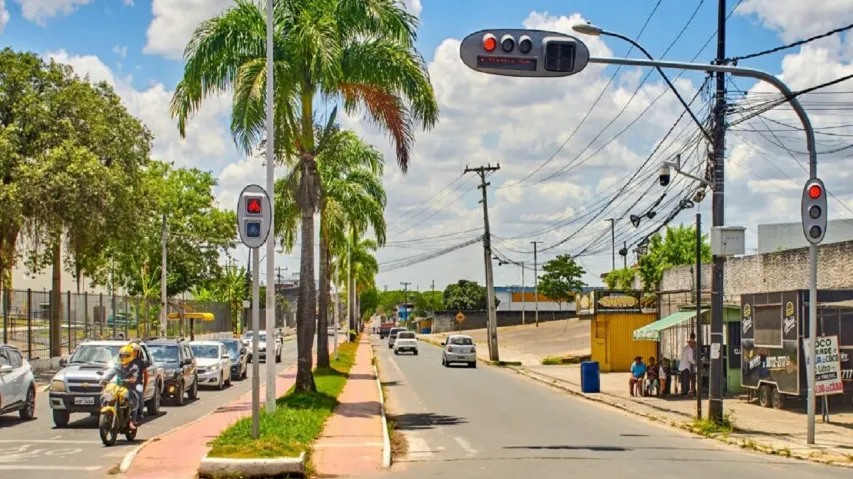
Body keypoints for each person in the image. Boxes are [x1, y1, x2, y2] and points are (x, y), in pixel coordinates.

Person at [100, 345, 143, 429]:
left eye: (126, 356)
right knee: (103, 396)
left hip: (129, 387)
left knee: (134, 400)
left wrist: (133, 379)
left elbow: (136, 375)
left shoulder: (134, 367)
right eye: (121, 356)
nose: (123, 357)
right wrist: (104, 380)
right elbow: (110, 374)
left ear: (131, 356)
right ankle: (105, 413)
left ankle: (132, 421)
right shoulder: (117, 367)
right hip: (118, 388)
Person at [129, 340, 149, 421]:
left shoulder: (141, 362)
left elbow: (146, 375)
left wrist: (144, 386)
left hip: (138, 384)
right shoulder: (125, 360)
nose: (133, 353)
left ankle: (140, 413)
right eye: (132, 351)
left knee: (139, 396)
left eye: (135, 351)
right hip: (127, 383)